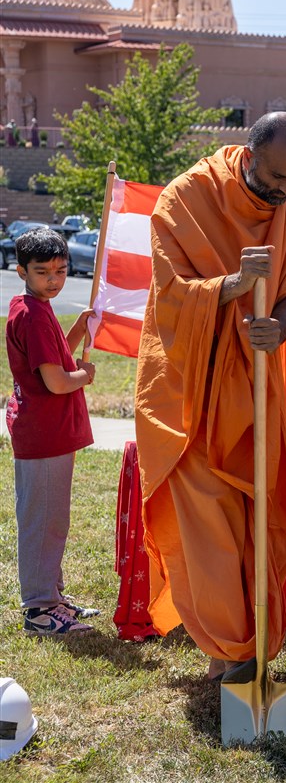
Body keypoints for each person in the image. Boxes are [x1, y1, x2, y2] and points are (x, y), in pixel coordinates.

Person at [134, 112, 286, 682]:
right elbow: (171, 301)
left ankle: (252, 643)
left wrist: (276, 327)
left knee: (257, 516)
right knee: (207, 528)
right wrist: (231, 287)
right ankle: (228, 650)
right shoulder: (185, 199)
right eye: (277, 178)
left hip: (255, 387)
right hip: (186, 394)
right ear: (250, 156)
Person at [5, 227, 100, 635]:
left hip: (49, 432)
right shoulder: (32, 312)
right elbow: (58, 380)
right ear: (21, 270)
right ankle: (39, 610)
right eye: (42, 272)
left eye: (61, 271)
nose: (54, 280)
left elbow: (54, 351)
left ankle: (53, 598)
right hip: (44, 434)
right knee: (43, 520)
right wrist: (85, 374)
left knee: (51, 518)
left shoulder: (32, 307)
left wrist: (80, 326)